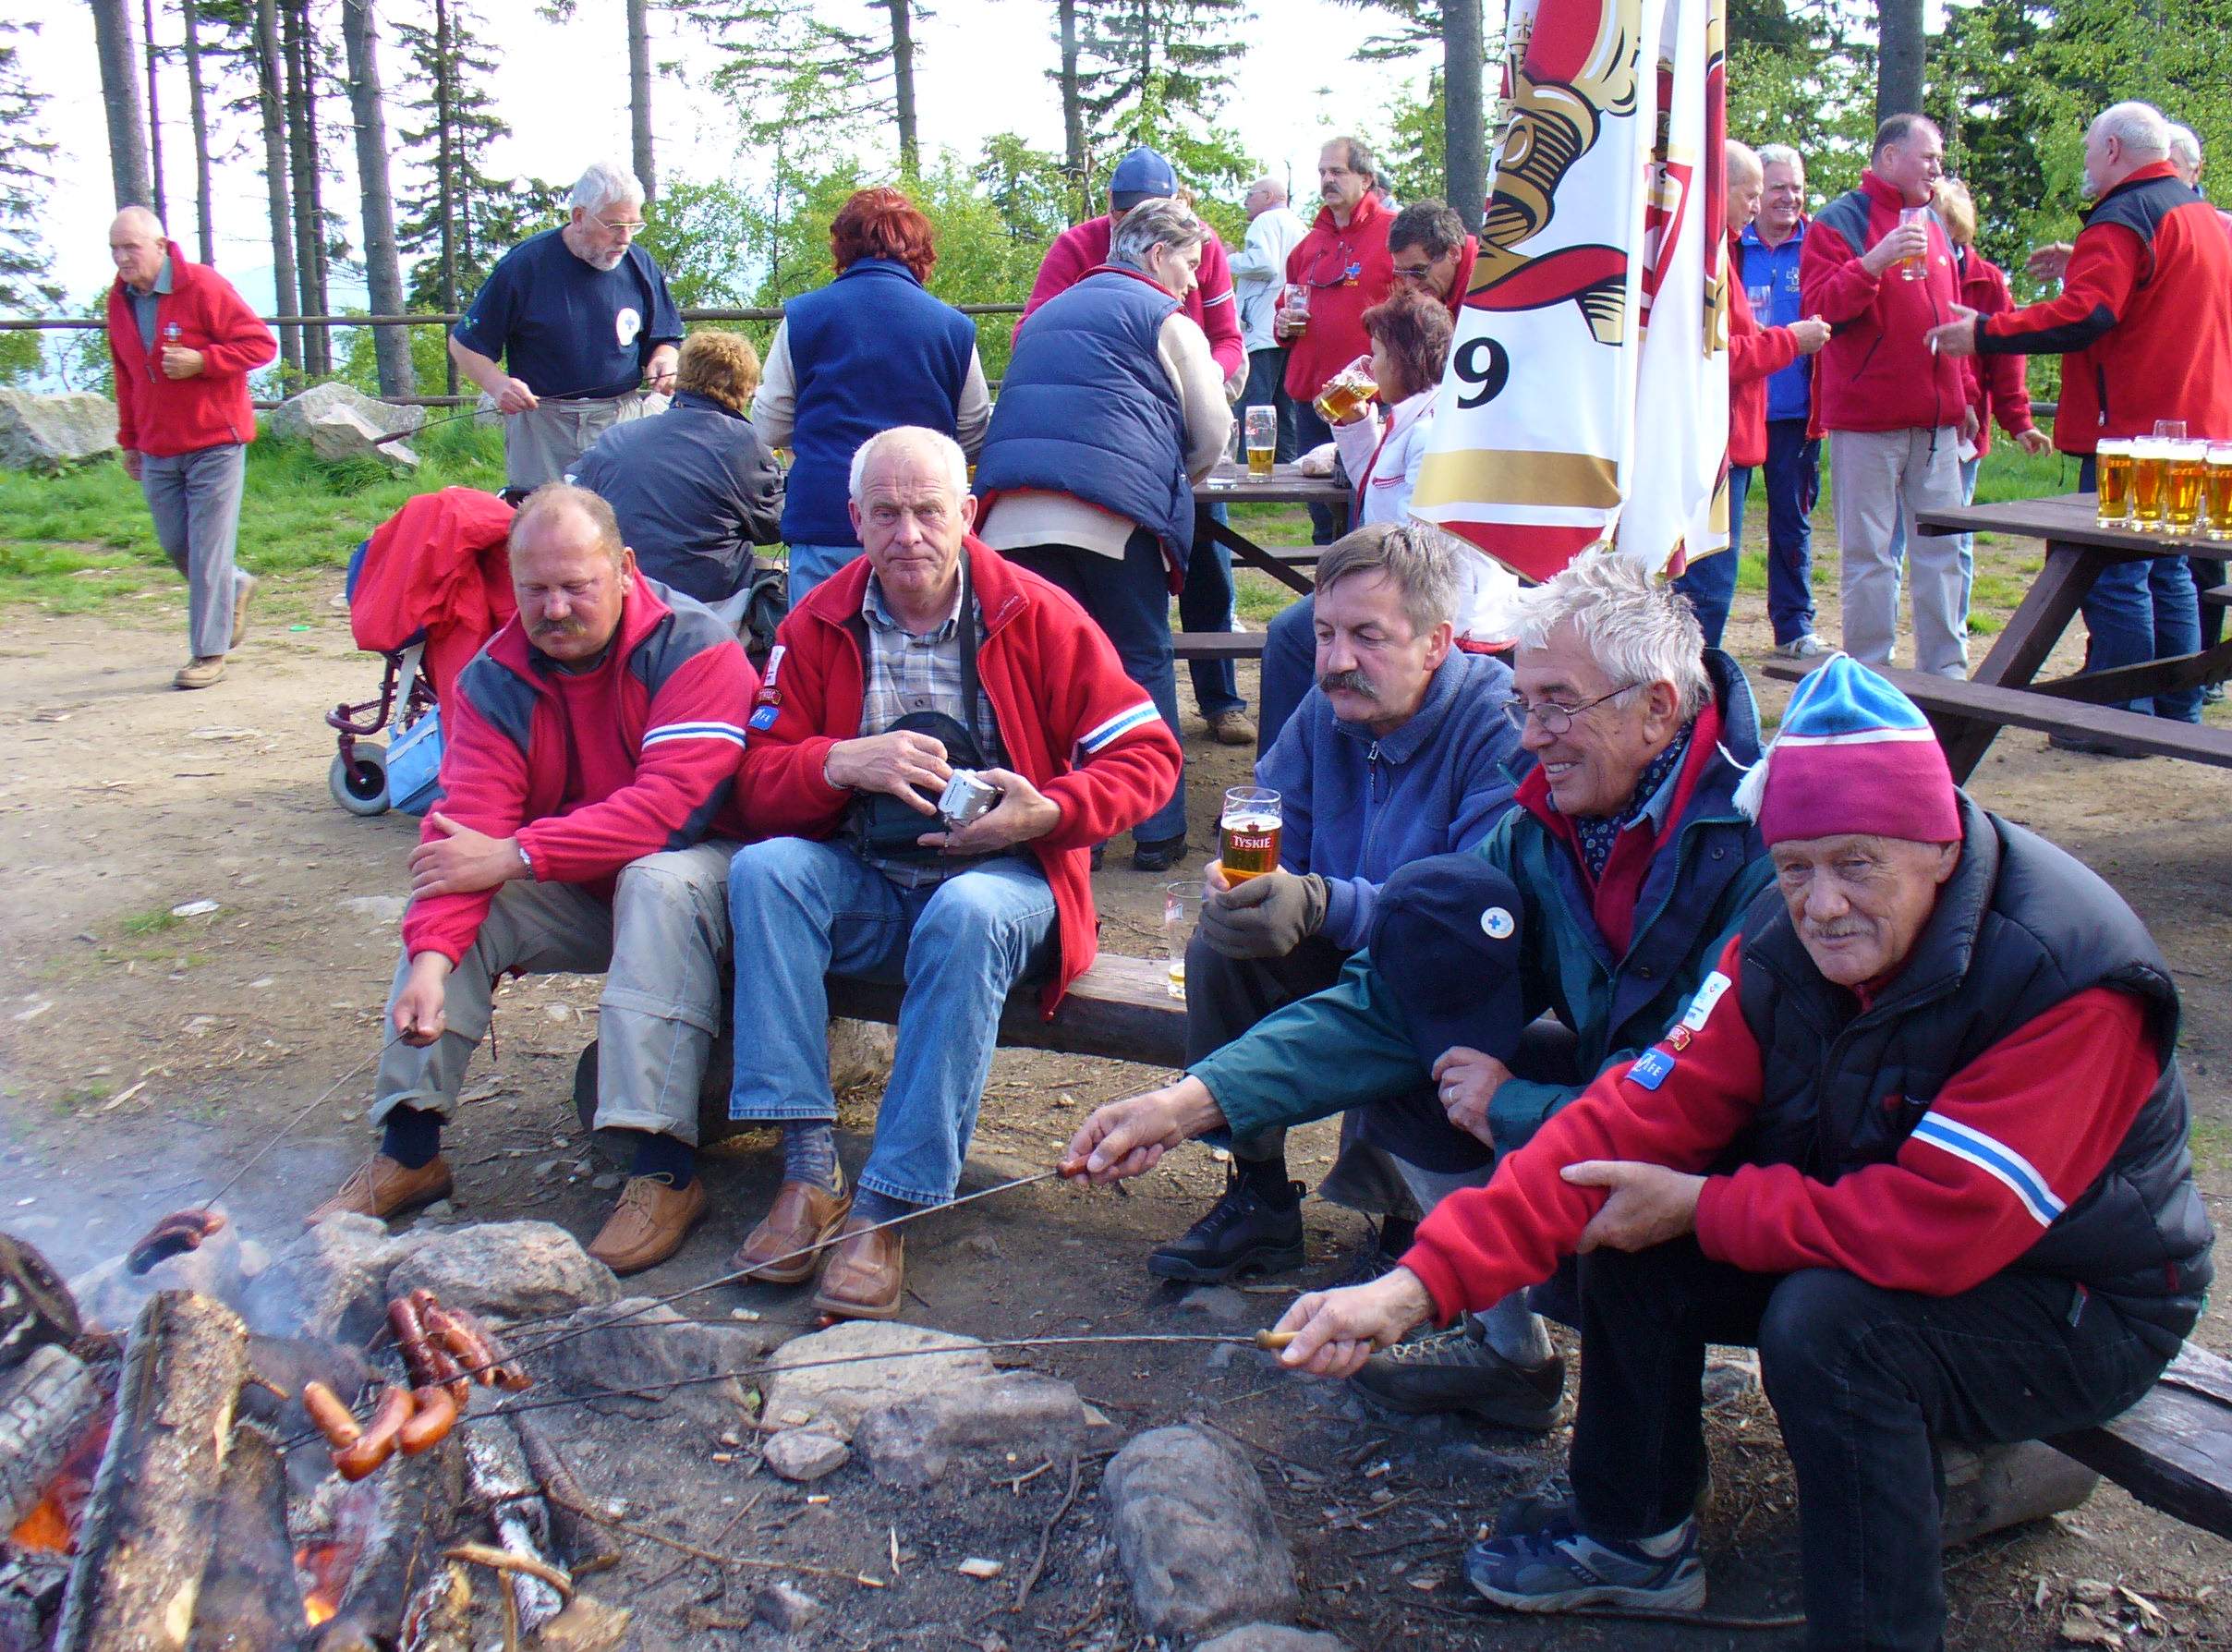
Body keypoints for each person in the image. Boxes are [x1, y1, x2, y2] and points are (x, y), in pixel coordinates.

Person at [1231, 655, 2210, 1648]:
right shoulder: (1778, 942)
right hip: (1889, 1228)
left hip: (2079, 1295)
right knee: (1626, 1208)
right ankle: (1633, 1539)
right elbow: (1628, 1116)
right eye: (1795, 866)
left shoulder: (2064, 976)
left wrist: (1703, 1205)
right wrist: (1412, 1289)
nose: (1822, 904)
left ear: (1940, 846)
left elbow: (1942, 1227)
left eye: (1857, 864)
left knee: (1833, 1328)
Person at [1067, 557, 1773, 1427]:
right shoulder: (1552, 818)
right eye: (1525, 704)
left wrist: (1509, 1117)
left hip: (1750, 1169)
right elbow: (1393, 999)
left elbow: (1685, 1093)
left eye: (1556, 705)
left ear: (1658, 708)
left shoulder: (1761, 842)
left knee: (1628, 1261)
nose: (1531, 736)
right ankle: (1504, 1355)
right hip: (1618, 1103)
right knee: (1426, 1050)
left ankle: (1662, 1455)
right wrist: (1186, 1104)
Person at [723, 428, 1182, 1321]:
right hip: (870, 877)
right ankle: (809, 1171)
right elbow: (752, 778)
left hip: (1007, 888)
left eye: (929, 511)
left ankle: (889, 1202)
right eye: (886, 513)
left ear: (967, 514)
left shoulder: (1035, 613)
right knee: (766, 872)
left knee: (966, 912)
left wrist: (1047, 811)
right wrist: (836, 762)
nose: (908, 534)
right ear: (854, 520)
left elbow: (1149, 758)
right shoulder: (816, 621)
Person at [306, 485, 760, 1275]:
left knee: (655, 879)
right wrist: (430, 964)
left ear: (624, 569)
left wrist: (517, 853)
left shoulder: (696, 647)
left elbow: (670, 811)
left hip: (718, 884)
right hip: (586, 881)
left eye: (576, 586)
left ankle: (663, 1171)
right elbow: (465, 833)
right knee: (463, 890)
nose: (553, 609)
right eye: (534, 589)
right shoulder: (493, 675)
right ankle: (410, 1146)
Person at [1146, 523, 1523, 1289]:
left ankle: (1414, 1224)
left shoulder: (1495, 722)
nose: (1336, 660)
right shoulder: (1331, 710)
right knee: (1225, 944)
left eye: (1367, 636)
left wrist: (1320, 903)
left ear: (1436, 642)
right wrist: (1250, 890)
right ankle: (1258, 1196)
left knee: (1431, 976)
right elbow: (1273, 824)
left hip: (1457, 965)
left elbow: (1470, 916)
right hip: (1346, 939)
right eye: (1324, 634)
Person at [1928, 101, 2232, 738]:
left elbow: (2086, 315)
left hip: (2135, 427)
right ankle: (2177, 711)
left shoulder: (2124, 216)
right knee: (2170, 570)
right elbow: (2158, 295)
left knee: (2116, 573)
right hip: (2200, 426)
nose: (2088, 162)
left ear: (2114, 150)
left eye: (2091, 148)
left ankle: (2120, 719)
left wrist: (1985, 332)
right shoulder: (2201, 215)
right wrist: (2086, 259)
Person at [975, 199, 1233, 871]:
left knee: (1045, 675)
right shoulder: (1166, 319)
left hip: (1007, 523)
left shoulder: (1044, 316)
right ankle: (1157, 831)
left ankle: (1063, 836)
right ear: (1156, 255)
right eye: (1189, 264)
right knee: (1140, 663)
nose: (1193, 281)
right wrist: (1167, 478)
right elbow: (1212, 433)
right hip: (1113, 519)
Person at [1025, 148, 1252, 749]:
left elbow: (1228, 340)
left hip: (1173, 435)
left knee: (1210, 568)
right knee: (1129, 634)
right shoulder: (1076, 247)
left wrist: (1196, 381)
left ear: (1179, 206)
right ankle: (1123, 758)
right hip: (1113, 454)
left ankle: (1221, 699)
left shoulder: (1200, 248)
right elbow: (1034, 331)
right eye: (1126, 212)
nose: (1135, 221)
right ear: (1111, 207)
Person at [1256, 287, 1524, 747]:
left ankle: (1291, 767)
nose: (1370, 366)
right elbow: (1376, 488)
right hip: (1403, 584)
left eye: (1378, 353)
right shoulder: (1412, 416)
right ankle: (1305, 756)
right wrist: (1355, 425)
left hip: (1443, 603)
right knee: (1300, 633)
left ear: (1404, 358)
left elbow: (1419, 545)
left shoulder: (1434, 429)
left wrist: (1353, 581)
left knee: (1296, 638)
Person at [752, 187, 991, 608]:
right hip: (921, 529)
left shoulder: (803, 317)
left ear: (843, 247)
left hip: (827, 517)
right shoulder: (953, 328)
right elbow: (973, 431)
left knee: (818, 644)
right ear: (920, 252)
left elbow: (769, 423)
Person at [1800, 115, 1976, 677]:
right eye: (1928, 157)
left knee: (1943, 550)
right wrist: (1874, 262)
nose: (1937, 168)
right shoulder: (1839, 222)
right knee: (1870, 556)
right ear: (1891, 156)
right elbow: (1819, 309)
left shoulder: (1936, 222)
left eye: (1938, 158)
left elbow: (1951, 317)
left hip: (1937, 423)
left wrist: (1966, 393)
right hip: (1867, 423)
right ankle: (1871, 673)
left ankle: (1946, 673)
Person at [104, 206, 277, 690]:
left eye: (131, 247)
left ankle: (208, 653)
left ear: (160, 246)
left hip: (215, 442)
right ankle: (236, 585)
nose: (122, 257)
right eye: (115, 249)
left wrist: (203, 360)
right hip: (158, 445)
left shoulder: (202, 285)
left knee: (206, 552)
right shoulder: (119, 301)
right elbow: (126, 376)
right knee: (176, 544)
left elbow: (260, 345)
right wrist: (130, 440)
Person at [1672, 141, 1830, 650]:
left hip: (1757, 428)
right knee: (1708, 585)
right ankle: (1694, 682)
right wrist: (1790, 341)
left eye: (1785, 189)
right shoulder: (1708, 256)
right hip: (1719, 440)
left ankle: (1788, 629)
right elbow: (1717, 360)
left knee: (1786, 530)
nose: (1761, 204)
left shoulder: (1721, 248)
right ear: (1722, 189)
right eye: (1754, 193)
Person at [450, 162, 684, 495]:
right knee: (542, 520)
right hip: (542, 423)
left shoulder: (640, 264)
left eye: (634, 226)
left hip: (620, 418)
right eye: (615, 225)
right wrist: (497, 384)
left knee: (622, 515)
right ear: (579, 216)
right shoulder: (525, 265)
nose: (625, 238)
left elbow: (665, 337)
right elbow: (464, 344)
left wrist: (664, 358)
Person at [569, 331, 783, 609]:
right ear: (747, 387)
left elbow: (572, 488)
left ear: (682, 376)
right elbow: (775, 526)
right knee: (775, 574)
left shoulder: (616, 437)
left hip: (628, 596)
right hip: (710, 604)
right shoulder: (743, 441)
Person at [1925, 178, 2053, 615]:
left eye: (1942, 224)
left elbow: (2008, 359)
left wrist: (2020, 422)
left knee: (1955, 534)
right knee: (1901, 537)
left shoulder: (1988, 281)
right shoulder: (1910, 271)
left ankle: (1954, 627)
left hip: (1965, 430)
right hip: (1917, 416)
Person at [1741, 144, 1834, 660]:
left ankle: (1794, 626)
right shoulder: (1730, 244)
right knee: (1717, 525)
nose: (1789, 198)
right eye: (1778, 187)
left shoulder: (1818, 244)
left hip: (1796, 412)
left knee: (1792, 522)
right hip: (1735, 410)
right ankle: (1701, 629)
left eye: (1797, 187)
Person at [1281, 137, 1398, 545]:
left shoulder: (1394, 236)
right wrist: (1283, 322)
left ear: (1366, 179)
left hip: (1369, 401)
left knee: (1368, 516)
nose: (1327, 180)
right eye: (1322, 172)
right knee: (1322, 521)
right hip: (1313, 401)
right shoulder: (1308, 246)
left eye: (1338, 171)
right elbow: (1285, 306)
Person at [1231, 176, 1309, 462]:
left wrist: (1229, 259)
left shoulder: (1265, 221)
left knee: (1253, 407)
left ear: (1268, 196)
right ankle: (1289, 470)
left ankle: (1244, 471)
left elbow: (1264, 263)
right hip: (1288, 330)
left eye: (1250, 194)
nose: (1246, 202)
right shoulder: (1300, 226)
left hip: (1263, 330)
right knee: (1284, 410)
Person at [1384, 199, 1477, 319]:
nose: (1410, 284)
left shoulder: (1486, 292)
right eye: (1401, 273)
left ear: (1453, 253)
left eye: (1418, 271)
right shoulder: (1445, 289)